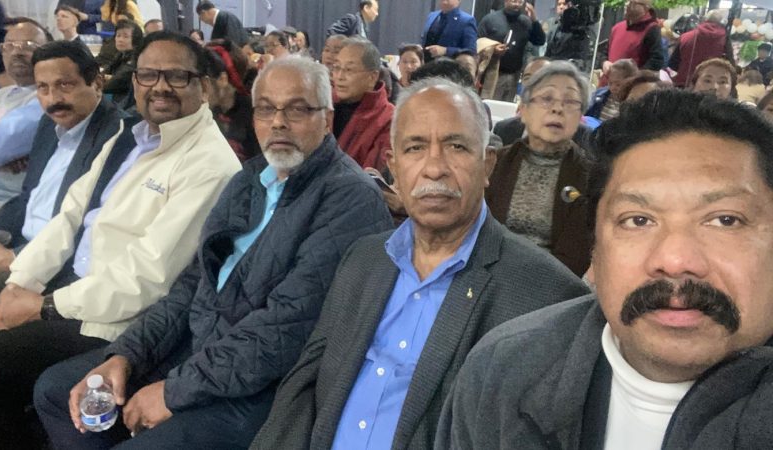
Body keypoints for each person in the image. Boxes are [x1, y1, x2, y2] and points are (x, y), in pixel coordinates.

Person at [33, 55, 392, 450]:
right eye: (266, 109)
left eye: (297, 109)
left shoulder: (349, 198)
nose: (278, 122)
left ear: (327, 119)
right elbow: (194, 282)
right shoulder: (250, 179)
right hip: (201, 348)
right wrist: (128, 355)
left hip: (266, 384)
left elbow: (286, 328)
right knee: (57, 390)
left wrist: (175, 391)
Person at [250, 77, 588, 450]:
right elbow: (306, 385)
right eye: (415, 148)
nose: (434, 168)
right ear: (393, 167)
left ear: (487, 164)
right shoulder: (363, 259)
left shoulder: (547, 296)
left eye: (456, 146)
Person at [436, 88, 773, 450]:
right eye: (638, 220)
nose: (675, 260)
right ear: (594, 253)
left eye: (725, 220)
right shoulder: (500, 373)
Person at [0, 30, 240, 449]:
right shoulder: (129, 136)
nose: (160, 87)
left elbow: (147, 277)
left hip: (113, 315)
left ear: (203, 87)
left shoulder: (211, 163)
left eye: (176, 76)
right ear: (134, 81)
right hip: (72, 284)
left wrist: (43, 306)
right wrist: (20, 281)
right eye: (148, 75)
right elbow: (69, 215)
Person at [0, 41, 124, 304]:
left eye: (65, 85)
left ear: (97, 83)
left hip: (56, 269)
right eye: (43, 87)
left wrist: (14, 259)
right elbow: (26, 197)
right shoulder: (48, 125)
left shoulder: (119, 136)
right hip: (17, 245)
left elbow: (92, 228)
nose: (53, 99)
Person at [486, 61, 592, 276]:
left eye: (570, 101)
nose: (557, 109)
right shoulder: (495, 163)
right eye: (546, 98)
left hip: (553, 284)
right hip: (486, 272)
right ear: (524, 111)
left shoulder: (590, 177)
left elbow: (575, 259)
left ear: (580, 117)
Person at [0, 19, 50, 233]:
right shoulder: (2, 95)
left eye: (27, 46)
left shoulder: (44, 100)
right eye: (9, 46)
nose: (17, 52)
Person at [332, 37, 393, 170]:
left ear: (372, 77)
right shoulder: (324, 107)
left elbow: (372, 175)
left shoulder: (388, 118)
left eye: (349, 70)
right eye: (336, 67)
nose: (340, 76)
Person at [478, 0, 546, 101]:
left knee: (507, 107)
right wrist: (492, 49)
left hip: (514, 75)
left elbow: (540, 41)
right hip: (493, 74)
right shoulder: (490, 19)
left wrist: (534, 20)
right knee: (489, 105)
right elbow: (477, 42)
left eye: (520, 2)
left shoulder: (526, 22)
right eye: (514, 1)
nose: (517, 5)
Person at [205, 40, 260, 162]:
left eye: (204, 83)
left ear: (222, 79)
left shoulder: (254, 114)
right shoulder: (205, 112)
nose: (198, 91)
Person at [669, 10, 727, 87]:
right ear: (722, 23)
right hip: (710, 86)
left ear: (704, 20)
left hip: (684, 84)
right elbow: (729, 67)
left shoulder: (685, 37)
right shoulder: (725, 40)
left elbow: (673, 64)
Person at [603, 0, 664, 73]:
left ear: (645, 8)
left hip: (633, 79)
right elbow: (605, 52)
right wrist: (604, 62)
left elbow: (657, 60)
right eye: (627, 1)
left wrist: (636, 76)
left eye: (633, 3)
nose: (627, 5)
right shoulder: (617, 27)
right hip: (609, 78)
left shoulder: (651, 29)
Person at [545, 0, 595, 71]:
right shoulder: (553, 28)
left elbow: (584, 58)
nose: (561, 7)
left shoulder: (581, 32)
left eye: (564, 4)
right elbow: (547, 54)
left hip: (571, 70)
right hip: (552, 69)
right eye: (559, 4)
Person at [103, 19, 143, 106]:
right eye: (118, 35)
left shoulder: (136, 58)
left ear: (135, 39)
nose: (120, 40)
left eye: (125, 36)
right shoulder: (121, 54)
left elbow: (113, 83)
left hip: (128, 105)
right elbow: (103, 73)